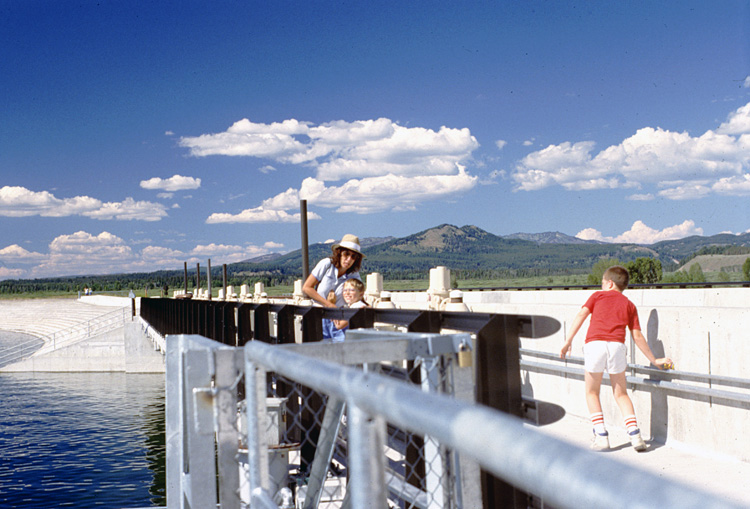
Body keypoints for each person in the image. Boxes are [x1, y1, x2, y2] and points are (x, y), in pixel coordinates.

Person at [560, 265, 672, 452]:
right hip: (617, 347)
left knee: (591, 392)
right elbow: (637, 336)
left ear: (610, 283)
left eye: (603, 283)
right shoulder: (629, 305)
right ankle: (635, 435)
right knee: (621, 394)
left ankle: (601, 435)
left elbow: (581, 314)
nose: (602, 286)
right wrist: (654, 360)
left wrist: (568, 340)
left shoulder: (597, 296)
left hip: (595, 345)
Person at [303, 234, 365, 340]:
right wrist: (328, 305)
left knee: (341, 353)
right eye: (346, 254)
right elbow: (307, 287)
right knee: (318, 352)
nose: (349, 259)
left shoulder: (354, 275)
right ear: (339, 253)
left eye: (353, 256)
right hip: (319, 316)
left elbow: (359, 295)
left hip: (339, 320)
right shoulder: (327, 265)